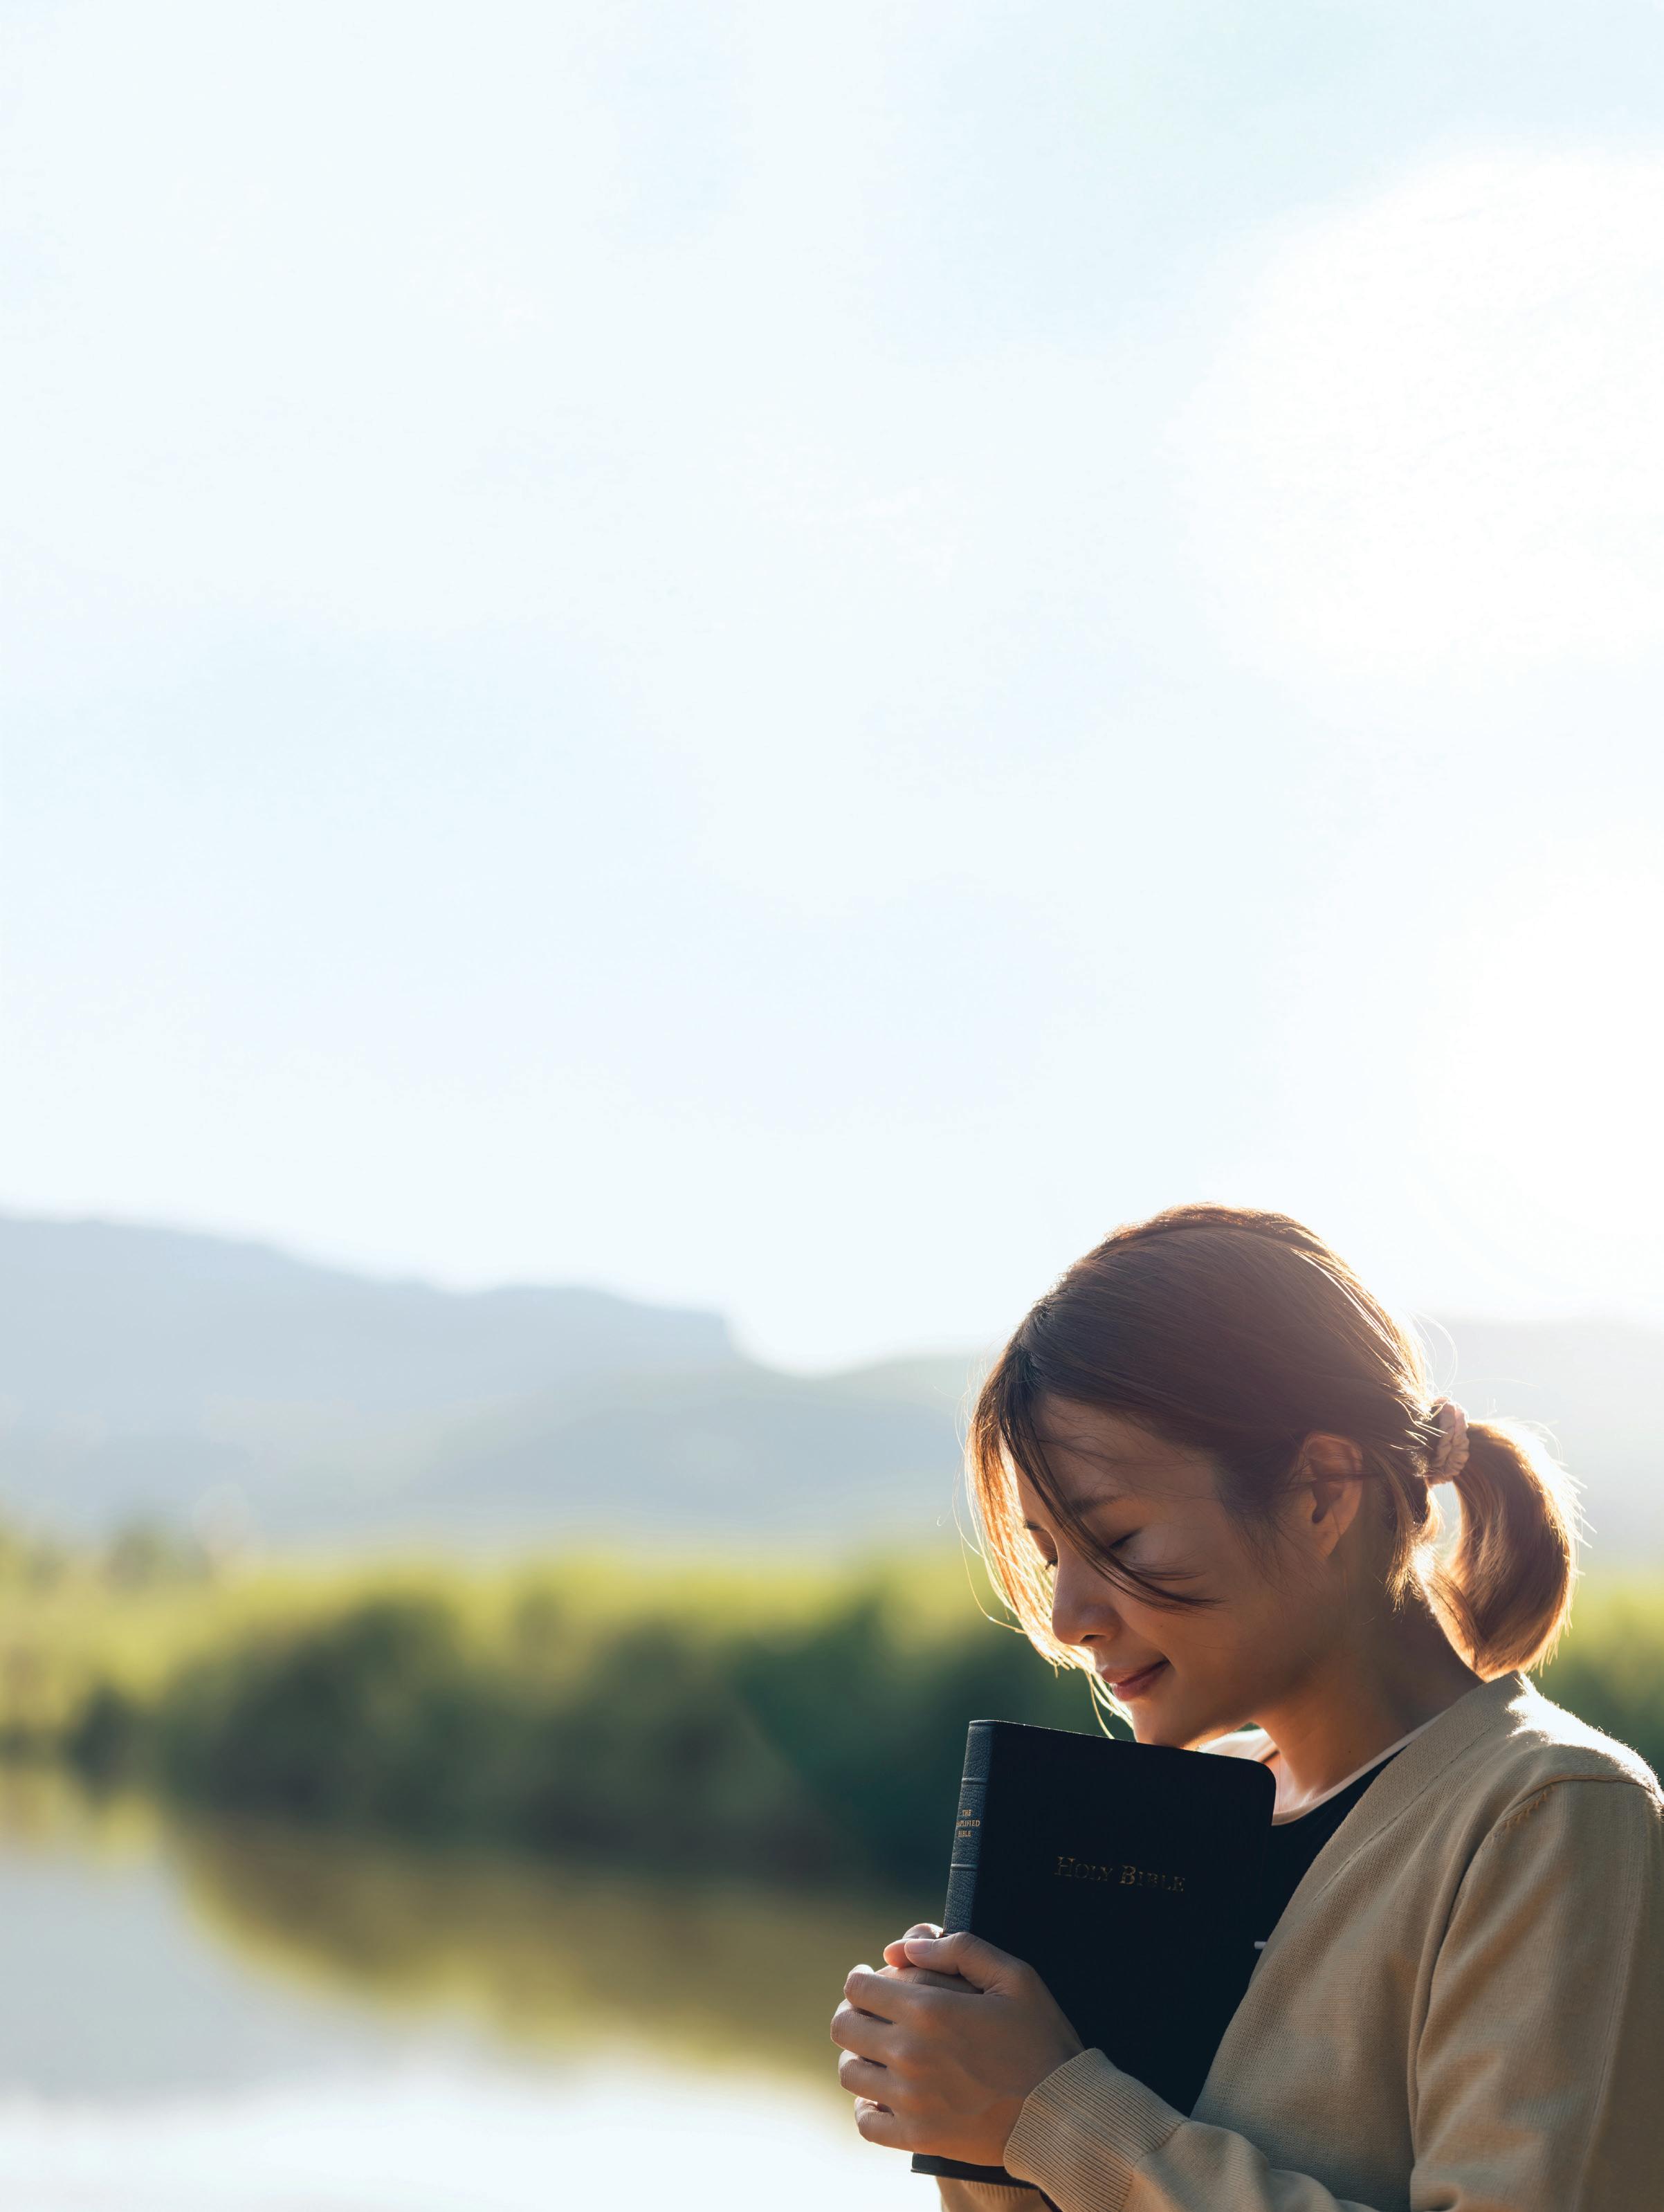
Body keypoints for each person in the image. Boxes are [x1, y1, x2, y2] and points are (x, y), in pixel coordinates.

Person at [830, 1205, 1664, 2209]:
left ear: (1321, 1488)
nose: (1066, 1618)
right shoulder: (1184, 1801)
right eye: (1050, 1557)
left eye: (1119, 1541)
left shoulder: (1549, 1812)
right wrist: (973, 2118)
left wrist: (1052, 2113)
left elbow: (1088, 2139)